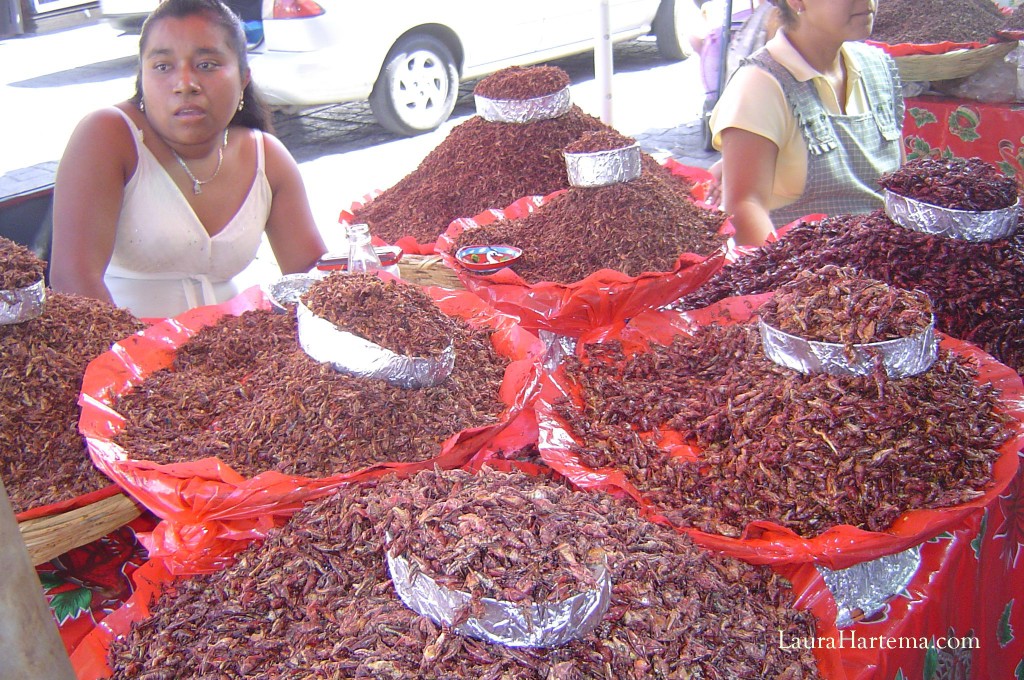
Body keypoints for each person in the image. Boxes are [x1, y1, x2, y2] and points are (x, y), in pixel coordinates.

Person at [50, 0, 326, 319]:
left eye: (206, 64)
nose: (185, 84)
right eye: (163, 66)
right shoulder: (109, 134)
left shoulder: (268, 157)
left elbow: (312, 277)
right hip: (121, 356)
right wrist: (138, 360)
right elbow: (73, 279)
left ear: (243, 78)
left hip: (235, 353)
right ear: (142, 76)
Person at [708, 0, 904, 246]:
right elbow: (745, 206)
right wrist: (790, 278)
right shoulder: (760, 85)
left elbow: (900, 185)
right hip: (803, 271)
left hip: (884, 263)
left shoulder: (878, 67)